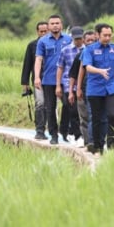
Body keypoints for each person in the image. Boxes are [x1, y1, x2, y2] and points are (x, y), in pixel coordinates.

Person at [82, 23, 114, 155]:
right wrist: (99, 71)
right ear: (98, 34)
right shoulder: (89, 49)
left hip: (110, 89)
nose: (108, 38)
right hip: (94, 90)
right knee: (97, 118)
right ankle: (98, 145)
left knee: (112, 115)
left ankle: (111, 145)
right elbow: (87, 67)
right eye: (105, 35)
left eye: (110, 35)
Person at [34, 15, 72, 145]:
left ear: (61, 25)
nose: (55, 25)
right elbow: (38, 59)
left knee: (68, 105)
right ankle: (53, 134)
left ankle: (64, 129)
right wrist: (37, 77)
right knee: (50, 108)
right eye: (52, 23)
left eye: (57, 23)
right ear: (49, 26)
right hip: (48, 80)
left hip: (66, 79)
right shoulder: (43, 41)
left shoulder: (68, 39)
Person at [69, 30, 97, 151]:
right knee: (85, 117)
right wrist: (73, 91)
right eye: (88, 40)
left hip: (97, 91)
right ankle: (87, 142)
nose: (90, 42)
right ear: (84, 42)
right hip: (82, 91)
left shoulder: (100, 54)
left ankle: (97, 141)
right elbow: (73, 75)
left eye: (93, 40)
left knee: (96, 117)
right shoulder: (80, 56)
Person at [20, 21, 48, 140]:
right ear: (37, 32)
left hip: (52, 79)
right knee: (40, 103)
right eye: (41, 31)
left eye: (45, 31)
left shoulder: (54, 44)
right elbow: (27, 64)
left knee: (49, 105)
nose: (43, 33)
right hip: (38, 80)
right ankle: (40, 130)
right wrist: (25, 82)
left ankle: (49, 128)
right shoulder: (32, 45)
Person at [56, 26, 84, 143]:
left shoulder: (86, 50)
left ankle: (70, 131)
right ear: (72, 38)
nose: (78, 41)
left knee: (79, 110)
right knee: (71, 108)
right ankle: (74, 134)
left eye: (80, 39)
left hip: (82, 84)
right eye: (76, 39)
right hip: (68, 83)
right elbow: (60, 68)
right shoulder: (65, 50)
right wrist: (58, 85)